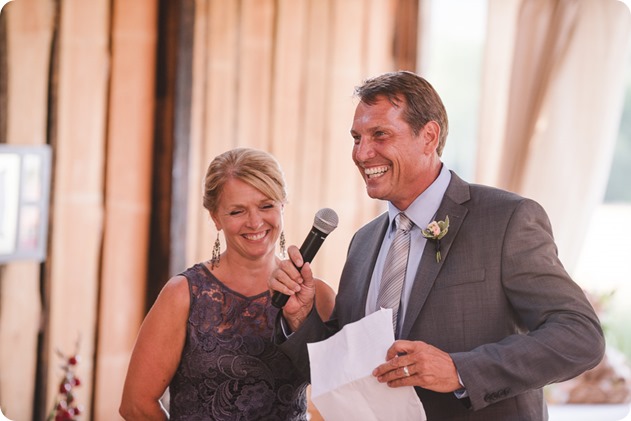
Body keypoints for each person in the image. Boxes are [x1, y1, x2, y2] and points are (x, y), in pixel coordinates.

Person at [269, 71, 605, 420]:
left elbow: (580, 336)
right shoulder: (363, 242)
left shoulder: (507, 219)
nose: (362, 153)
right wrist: (300, 317)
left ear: (429, 136)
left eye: (380, 135)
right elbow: (344, 363)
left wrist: (459, 370)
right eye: (356, 138)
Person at [120, 147, 336, 420]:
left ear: (282, 205)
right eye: (237, 211)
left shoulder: (320, 296)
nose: (255, 222)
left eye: (266, 205)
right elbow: (136, 404)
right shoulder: (183, 295)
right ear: (215, 217)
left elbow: (344, 391)